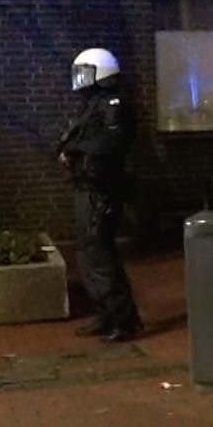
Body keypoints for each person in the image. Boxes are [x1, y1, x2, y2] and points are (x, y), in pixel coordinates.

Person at [60, 47, 142, 341]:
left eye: (86, 72)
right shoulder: (91, 105)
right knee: (87, 253)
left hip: (103, 189)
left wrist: (76, 150)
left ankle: (124, 318)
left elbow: (111, 141)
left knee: (100, 253)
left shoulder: (112, 103)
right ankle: (105, 313)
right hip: (87, 187)